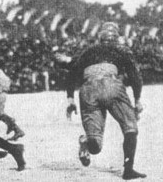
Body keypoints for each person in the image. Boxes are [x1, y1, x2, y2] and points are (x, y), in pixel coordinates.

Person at [57, 22, 146, 180]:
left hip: (87, 89)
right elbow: (135, 75)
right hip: (110, 84)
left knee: (95, 145)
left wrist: (70, 98)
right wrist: (138, 99)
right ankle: (128, 169)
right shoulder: (121, 49)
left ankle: (87, 141)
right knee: (130, 128)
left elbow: (72, 73)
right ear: (116, 36)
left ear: (101, 37)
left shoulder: (88, 51)